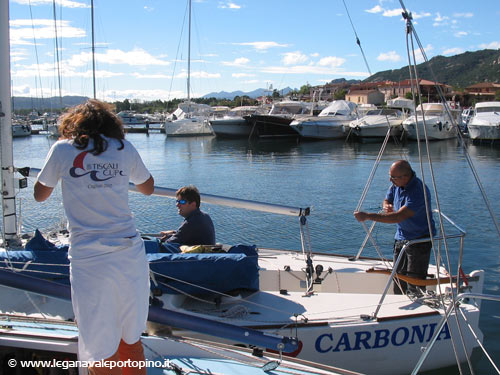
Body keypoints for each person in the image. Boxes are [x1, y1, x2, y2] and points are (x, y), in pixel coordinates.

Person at [34, 99, 154, 375]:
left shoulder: (62, 149)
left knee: (100, 345)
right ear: (112, 125)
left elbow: (40, 195)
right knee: (130, 336)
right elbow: (147, 188)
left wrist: (70, 176)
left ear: (73, 125)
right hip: (129, 255)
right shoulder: (123, 148)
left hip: (90, 260)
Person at [353, 160, 436, 295]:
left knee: (414, 281)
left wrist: (367, 216)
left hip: (419, 240)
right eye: (390, 176)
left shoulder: (418, 191)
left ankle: (417, 308)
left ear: (405, 177)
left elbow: (398, 217)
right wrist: (387, 206)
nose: (390, 180)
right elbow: (387, 199)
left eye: (393, 177)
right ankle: (399, 301)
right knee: (398, 278)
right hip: (401, 237)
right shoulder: (396, 185)